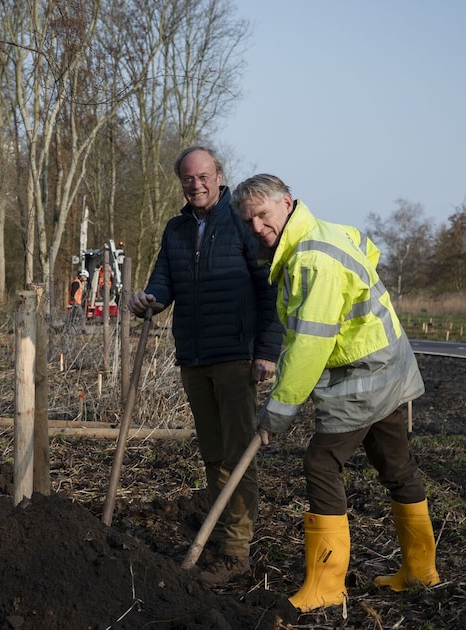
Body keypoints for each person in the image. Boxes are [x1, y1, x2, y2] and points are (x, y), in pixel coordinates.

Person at [231, 174, 440, 612]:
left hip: (364, 373)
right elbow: (367, 249)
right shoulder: (325, 232)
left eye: (263, 215)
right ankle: (421, 572)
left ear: (286, 203)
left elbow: (309, 345)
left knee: (322, 463)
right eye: (248, 221)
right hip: (388, 361)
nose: (256, 228)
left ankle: (326, 586)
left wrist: (277, 412)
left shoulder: (312, 261)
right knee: (395, 464)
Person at [127, 146, 283, 584]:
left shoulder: (242, 222)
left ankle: (235, 551)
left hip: (236, 356)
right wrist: (148, 300)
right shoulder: (175, 229)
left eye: (203, 176)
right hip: (193, 356)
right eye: (187, 179)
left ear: (218, 176)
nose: (196, 185)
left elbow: (269, 291)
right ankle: (219, 532)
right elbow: (163, 280)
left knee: (236, 454)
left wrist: (267, 350)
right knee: (212, 453)